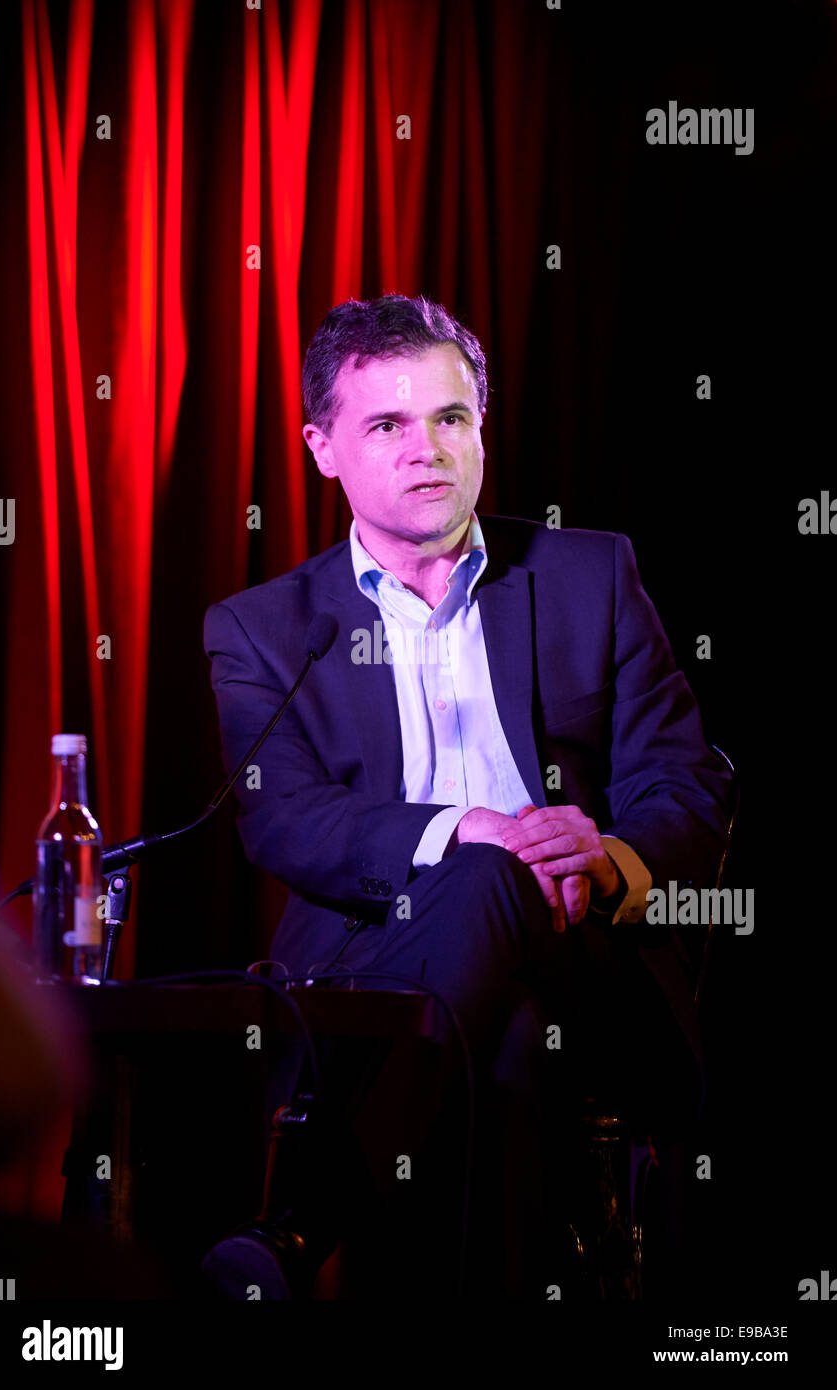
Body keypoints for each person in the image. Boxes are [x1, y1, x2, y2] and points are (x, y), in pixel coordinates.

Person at [202, 293, 733, 1299]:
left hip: (588, 952)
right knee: (510, 1038)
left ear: (479, 428)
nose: (426, 448)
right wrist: (466, 832)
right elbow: (280, 813)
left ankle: (298, 1226)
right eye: (386, 424)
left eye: (450, 418)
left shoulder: (590, 573)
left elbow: (683, 778)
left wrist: (613, 858)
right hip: (370, 963)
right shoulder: (261, 626)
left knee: (518, 972)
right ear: (322, 446)